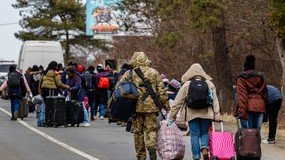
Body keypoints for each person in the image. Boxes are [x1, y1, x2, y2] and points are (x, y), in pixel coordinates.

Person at [117, 52, 170, 160]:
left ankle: (141, 156)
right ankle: (151, 147)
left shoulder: (129, 73)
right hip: (151, 107)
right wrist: (167, 107)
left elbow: (120, 88)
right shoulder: (154, 72)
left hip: (135, 107)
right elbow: (161, 92)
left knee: (138, 132)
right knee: (151, 130)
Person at [167, 63, 220, 160]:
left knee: (194, 134)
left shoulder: (187, 85)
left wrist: (172, 117)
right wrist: (216, 114)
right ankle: (204, 148)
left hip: (192, 113)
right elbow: (215, 101)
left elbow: (178, 102)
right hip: (206, 113)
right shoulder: (209, 84)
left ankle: (196, 156)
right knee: (204, 132)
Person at [235, 55, 268, 129]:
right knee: (256, 133)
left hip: (248, 107)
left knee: (248, 134)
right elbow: (265, 95)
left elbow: (242, 97)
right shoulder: (260, 77)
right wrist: (266, 110)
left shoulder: (241, 79)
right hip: (260, 106)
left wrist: (242, 113)